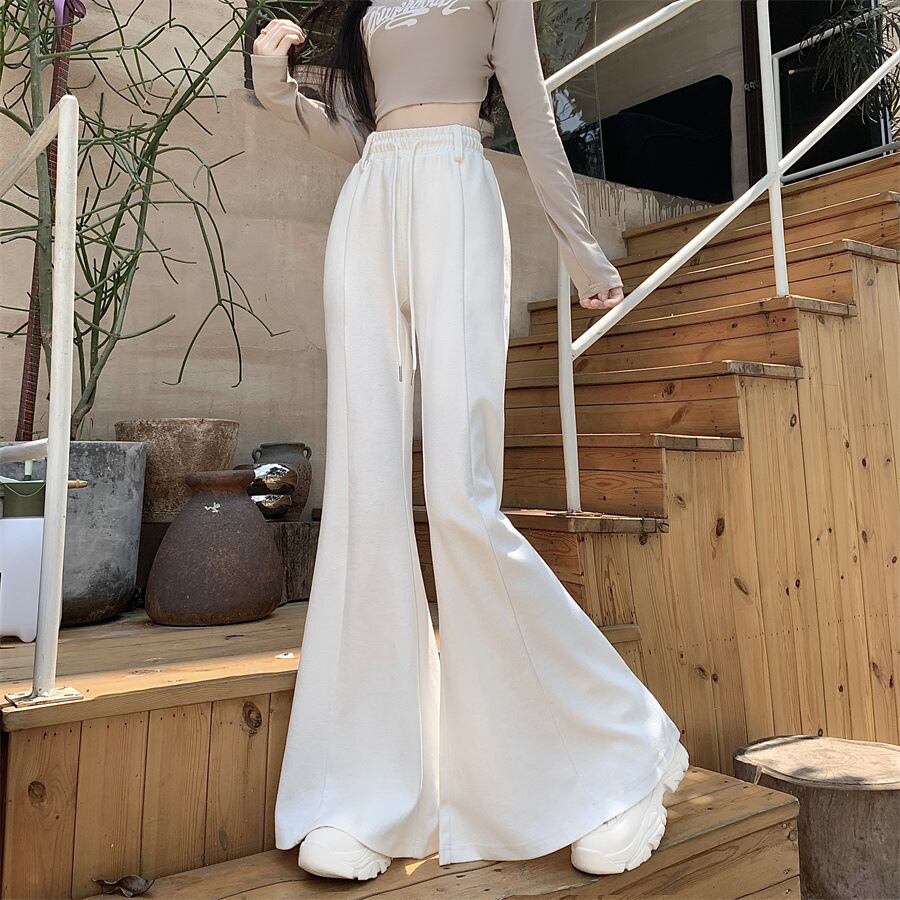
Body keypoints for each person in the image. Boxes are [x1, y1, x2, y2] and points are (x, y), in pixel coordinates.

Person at [249, 0, 688, 882]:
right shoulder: (371, 9)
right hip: (371, 204)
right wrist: (275, 85)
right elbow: (359, 134)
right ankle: (361, 794)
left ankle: (615, 763)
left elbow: (531, 111)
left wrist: (582, 249)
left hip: (457, 191)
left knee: (458, 498)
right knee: (365, 501)